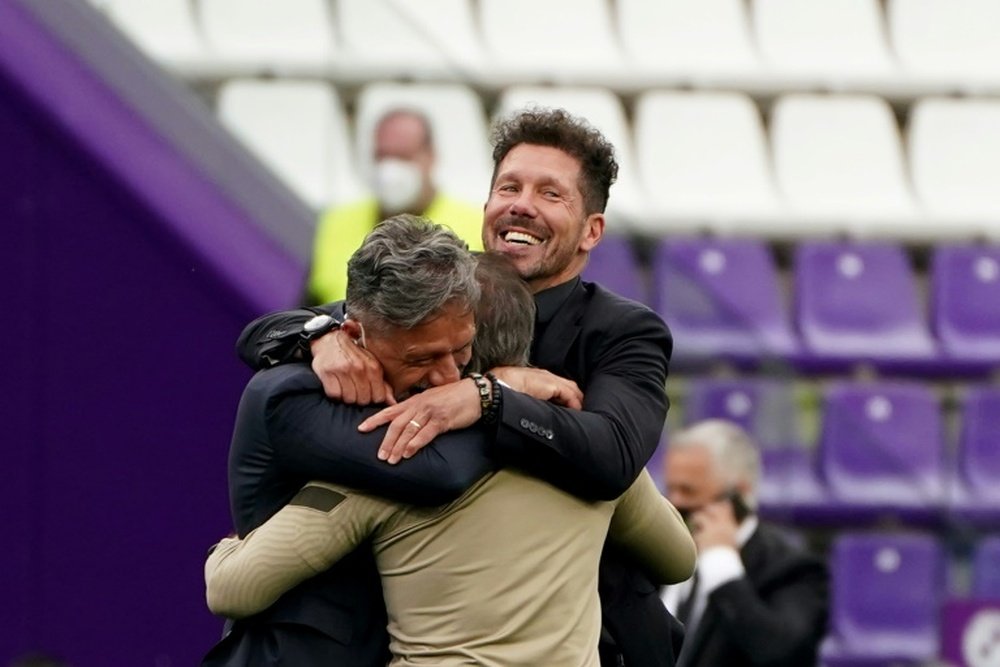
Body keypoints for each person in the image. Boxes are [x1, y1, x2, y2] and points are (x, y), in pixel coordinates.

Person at [235, 107, 682, 666]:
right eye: (508, 187)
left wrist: (490, 400)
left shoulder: (623, 330)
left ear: (592, 229)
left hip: (592, 636)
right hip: (413, 621)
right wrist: (322, 335)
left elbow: (614, 454)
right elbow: (262, 336)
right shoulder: (438, 290)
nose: (521, 204)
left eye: (550, 194)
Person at [203, 248, 695, 666]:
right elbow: (678, 557)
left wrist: (228, 546)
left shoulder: (391, 460)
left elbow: (234, 588)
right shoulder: (595, 462)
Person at [661, 420, 829, 667]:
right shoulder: (657, 555)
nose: (674, 502)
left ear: (738, 494)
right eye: (670, 489)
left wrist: (723, 568)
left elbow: (785, 655)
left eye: (688, 491)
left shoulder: (793, 569)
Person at [306, 108, 483, 305]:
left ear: (431, 156)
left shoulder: (477, 224)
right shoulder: (337, 221)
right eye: (382, 156)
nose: (389, 169)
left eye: (403, 156)